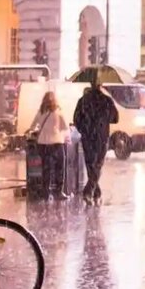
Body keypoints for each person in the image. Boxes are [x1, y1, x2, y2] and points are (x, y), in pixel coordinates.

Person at [74, 74, 118, 203]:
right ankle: (89, 192)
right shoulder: (107, 100)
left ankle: (95, 192)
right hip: (102, 136)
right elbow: (115, 118)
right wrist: (104, 119)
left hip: (87, 136)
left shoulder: (83, 100)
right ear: (100, 85)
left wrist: (84, 129)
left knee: (91, 165)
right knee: (97, 165)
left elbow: (76, 119)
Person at [31, 91, 68, 200]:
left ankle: (45, 192)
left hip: (43, 144)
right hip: (56, 143)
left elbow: (33, 126)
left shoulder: (40, 112)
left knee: (46, 169)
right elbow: (65, 127)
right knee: (59, 168)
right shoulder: (59, 112)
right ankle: (58, 191)